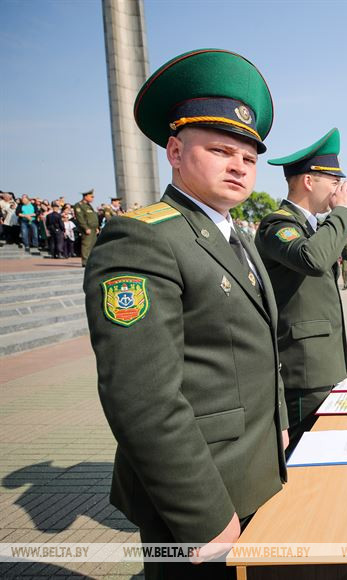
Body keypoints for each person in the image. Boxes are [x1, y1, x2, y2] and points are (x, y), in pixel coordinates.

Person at [83, 49, 289, 579]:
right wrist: (203, 516)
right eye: (221, 150)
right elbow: (142, 396)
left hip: (253, 470)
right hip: (201, 494)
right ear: (175, 152)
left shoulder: (235, 234)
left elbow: (256, 350)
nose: (239, 166)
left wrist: (280, 427)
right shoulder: (143, 239)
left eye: (248, 157)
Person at [255, 128, 347, 449]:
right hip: (302, 372)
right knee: (301, 458)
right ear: (309, 181)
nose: (339, 190)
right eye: (333, 182)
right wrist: (343, 213)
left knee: (320, 455)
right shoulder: (278, 224)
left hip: (321, 365)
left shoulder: (310, 226)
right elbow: (313, 258)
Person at [74, 189, 100, 267]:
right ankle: (85, 262)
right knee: (86, 245)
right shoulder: (79, 205)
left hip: (93, 228)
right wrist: (85, 228)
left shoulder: (89, 206)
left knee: (93, 245)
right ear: (85, 196)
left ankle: (92, 261)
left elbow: (93, 217)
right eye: (91, 197)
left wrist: (96, 227)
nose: (92, 198)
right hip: (87, 229)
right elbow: (80, 218)